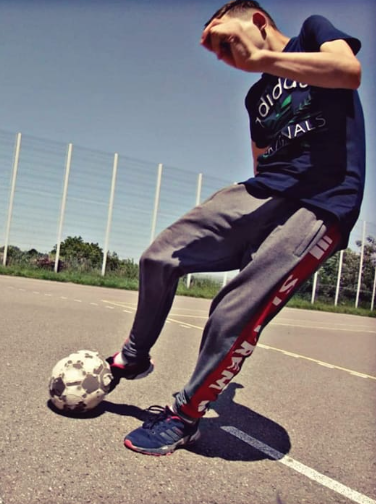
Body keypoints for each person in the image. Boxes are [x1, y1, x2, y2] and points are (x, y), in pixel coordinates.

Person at [106, 0, 365, 456]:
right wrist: (247, 229)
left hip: (322, 201)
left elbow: (348, 71)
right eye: (216, 52)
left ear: (258, 22)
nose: (224, 57)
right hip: (266, 191)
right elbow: (261, 162)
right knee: (159, 256)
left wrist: (262, 58)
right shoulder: (255, 97)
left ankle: (185, 416)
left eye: (226, 42)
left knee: (233, 312)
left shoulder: (312, 34)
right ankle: (134, 356)